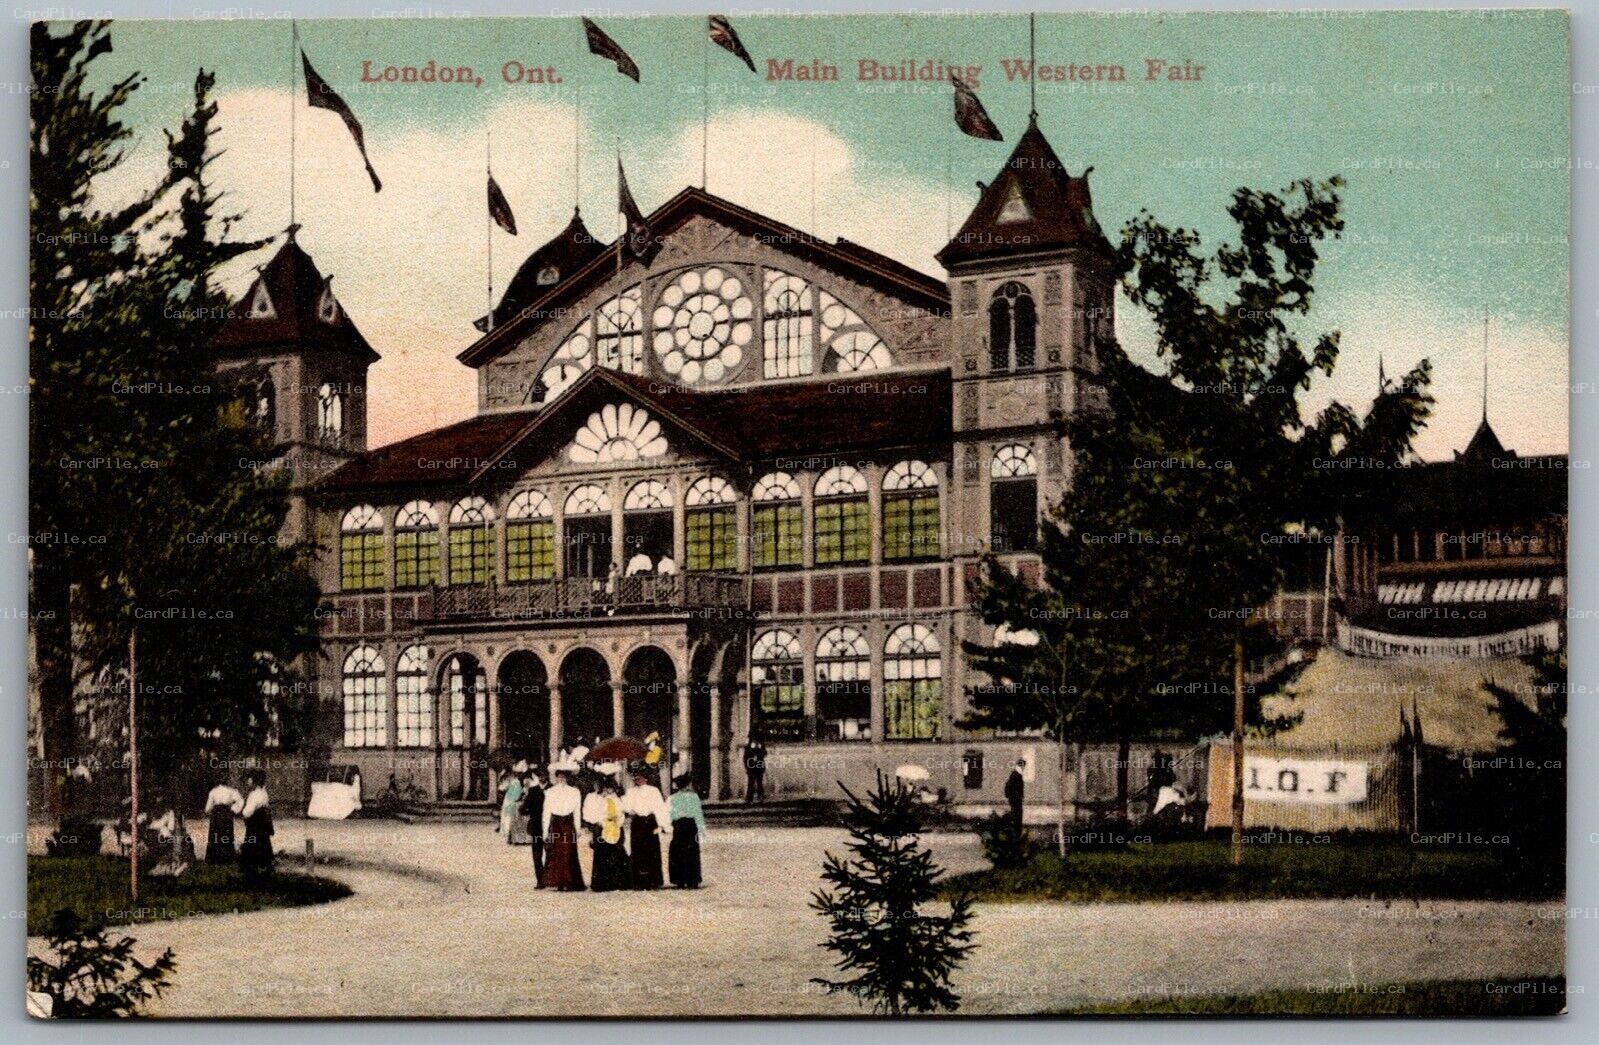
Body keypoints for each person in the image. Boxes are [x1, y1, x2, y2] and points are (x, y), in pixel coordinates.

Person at [541, 762, 585, 890]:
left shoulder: (575, 792)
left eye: (564, 777)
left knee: (568, 851)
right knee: (556, 851)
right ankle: (558, 881)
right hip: (556, 824)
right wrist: (545, 831)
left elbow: (577, 812)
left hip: (568, 823)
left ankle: (570, 881)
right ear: (556, 777)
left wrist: (577, 829)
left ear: (567, 777)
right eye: (559, 776)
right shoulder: (550, 792)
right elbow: (546, 812)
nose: (561, 779)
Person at [583, 776, 629, 892]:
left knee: (616, 854)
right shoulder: (598, 799)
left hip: (615, 828)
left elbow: (621, 813)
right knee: (602, 855)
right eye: (606, 788)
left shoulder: (617, 800)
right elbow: (595, 814)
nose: (608, 791)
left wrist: (617, 823)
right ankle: (602, 883)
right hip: (602, 828)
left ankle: (618, 882)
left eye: (611, 788)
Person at [621, 771, 666, 890]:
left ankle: (653, 880)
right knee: (637, 849)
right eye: (636, 778)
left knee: (652, 850)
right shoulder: (631, 792)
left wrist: (661, 825)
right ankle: (638, 881)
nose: (638, 780)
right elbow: (627, 808)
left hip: (651, 822)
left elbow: (660, 808)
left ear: (646, 778)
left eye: (640, 778)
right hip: (637, 822)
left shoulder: (653, 790)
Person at [667, 774, 708, 888]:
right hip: (690, 825)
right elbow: (698, 813)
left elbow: (670, 813)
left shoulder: (672, 798)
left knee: (679, 852)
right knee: (691, 852)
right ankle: (692, 880)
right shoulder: (693, 797)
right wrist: (701, 828)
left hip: (680, 826)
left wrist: (669, 826)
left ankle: (680, 880)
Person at [239, 770, 275, 882]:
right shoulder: (263, 793)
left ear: (255, 781)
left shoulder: (254, 795)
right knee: (263, 843)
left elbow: (248, 811)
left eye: (250, 780)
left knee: (252, 844)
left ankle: (252, 870)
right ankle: (264, 865)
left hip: (255, 823)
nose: (247, 782)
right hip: (262, 824)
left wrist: (243, 813)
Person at [203, 774, 244, 865]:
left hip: (216, 815)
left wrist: (209, 811)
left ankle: (214, 859)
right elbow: (241, 801)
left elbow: (207, 808)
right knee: (226, 835)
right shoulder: (232, 791)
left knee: (216, 836)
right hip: (226, 814)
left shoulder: (213, 791)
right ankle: (227, 859)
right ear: (227, 780)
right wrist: (234, 810)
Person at [520, 767, 548, 886]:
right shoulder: (533, 790)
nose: (542, 777)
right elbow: (523, 809)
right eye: (539, 775)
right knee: (537, 854)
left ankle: (549, 877)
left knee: (550, 852)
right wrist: (529, 812)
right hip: (536, 826)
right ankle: (540, 880)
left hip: (550, 826)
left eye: (544, 775)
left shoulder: (552, 789)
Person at [499, 771, 525, 842]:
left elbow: (516, 794)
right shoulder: (512, 782)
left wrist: (513, 800)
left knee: (509, 818)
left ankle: (509, 834)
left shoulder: (516, 783)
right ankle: (508, 834)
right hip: (508, 801)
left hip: (511, 801)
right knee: (507, 817)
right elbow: (502, 788)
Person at [743, 732, 767, 804]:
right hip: (751, 767)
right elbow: (745, 757)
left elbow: (765, 753)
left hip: (758, 766)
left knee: (759, 782)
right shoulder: (748, 747)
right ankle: (749, 798)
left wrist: (760, 751)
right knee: (751, 783)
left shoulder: (760, 745)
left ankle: (760, 797)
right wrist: (747, 766)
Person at [1004, 758, 1026, 833]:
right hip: (1016, 799)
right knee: (1017, 814)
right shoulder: (1016, 774)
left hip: (1014, 798)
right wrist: (1019, 796)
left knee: (1016, 814)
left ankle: (1016, 829)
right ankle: (1017, 831)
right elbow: (1015, 787)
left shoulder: (1015, 773)